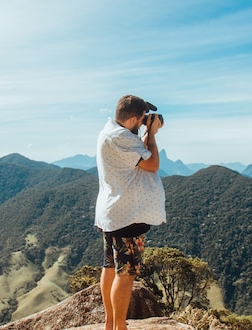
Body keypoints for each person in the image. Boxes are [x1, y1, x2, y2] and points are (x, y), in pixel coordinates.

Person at [94, 94, 166, 330]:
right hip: (127, 217)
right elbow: (152, 164)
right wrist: (152, 135)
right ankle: (119, 326)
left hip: (113, 214)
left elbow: (139, 159)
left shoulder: (111, 132)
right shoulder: (122, 137)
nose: (146, 121)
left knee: (110, 268)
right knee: (126, 274)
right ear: (133, 118)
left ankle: (110, 323)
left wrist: (145, 133)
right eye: (143, 118)